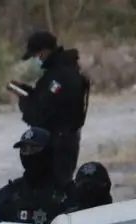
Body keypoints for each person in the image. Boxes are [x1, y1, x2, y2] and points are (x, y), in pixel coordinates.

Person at [11, 30, 90, 186]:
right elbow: (45, 101)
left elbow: (40, 112)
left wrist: (24, 100)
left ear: (45, 51)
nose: (36, 60)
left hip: (59, 144)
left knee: (56, 188)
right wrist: (27, 92)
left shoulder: (60, 76)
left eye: (36, 55)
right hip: (61, 141)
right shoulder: (59, 72)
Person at [0, 127, 68, 224]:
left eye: (34, 148)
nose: (29, 154)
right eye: (24, 149)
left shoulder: (67, 193)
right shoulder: (8, 194)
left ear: (48, 152)